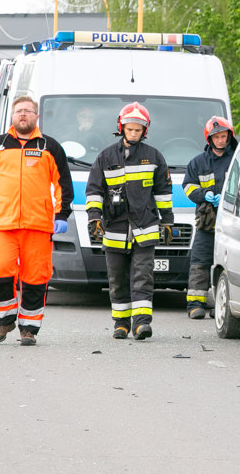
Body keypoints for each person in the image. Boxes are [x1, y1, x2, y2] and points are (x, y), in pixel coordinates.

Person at [0, 95, 74, 346]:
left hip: (38, 225)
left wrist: (62, 214)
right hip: (4, 224)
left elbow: (63, 185)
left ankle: (29, 328)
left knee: (35, 276)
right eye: (18, 111)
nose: (23, 115)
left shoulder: (50, 147)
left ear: (37, 116)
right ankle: (4, 322)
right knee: (1, 270)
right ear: (12, 117)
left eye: (28, 111)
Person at [85, 102, 174, 340]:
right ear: (121, 128)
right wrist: (94, 218)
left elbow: (164, 193)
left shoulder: (154, 157)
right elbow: (94, 190)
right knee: (117, 279)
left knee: (142, 277)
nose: (134, 133)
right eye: (130, 129)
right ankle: (121, 324)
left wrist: (167, 221)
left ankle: (142, 323)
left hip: (145, 228)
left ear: (145, 131)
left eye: (138, 130)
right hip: (114, 229)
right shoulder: (105, 157)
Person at [182, 117, 236, 318]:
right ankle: (195, 305)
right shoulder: (198, 163)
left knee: (228, 263)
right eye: (216, 137)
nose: (221, 140)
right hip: (208, 221)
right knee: (200, 261)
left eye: (223, 136)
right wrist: (204, 195)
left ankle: (222, 306)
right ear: (209, 139)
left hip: (232, 222)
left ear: (229, 136)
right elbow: (188, 187)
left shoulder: (236, 159)